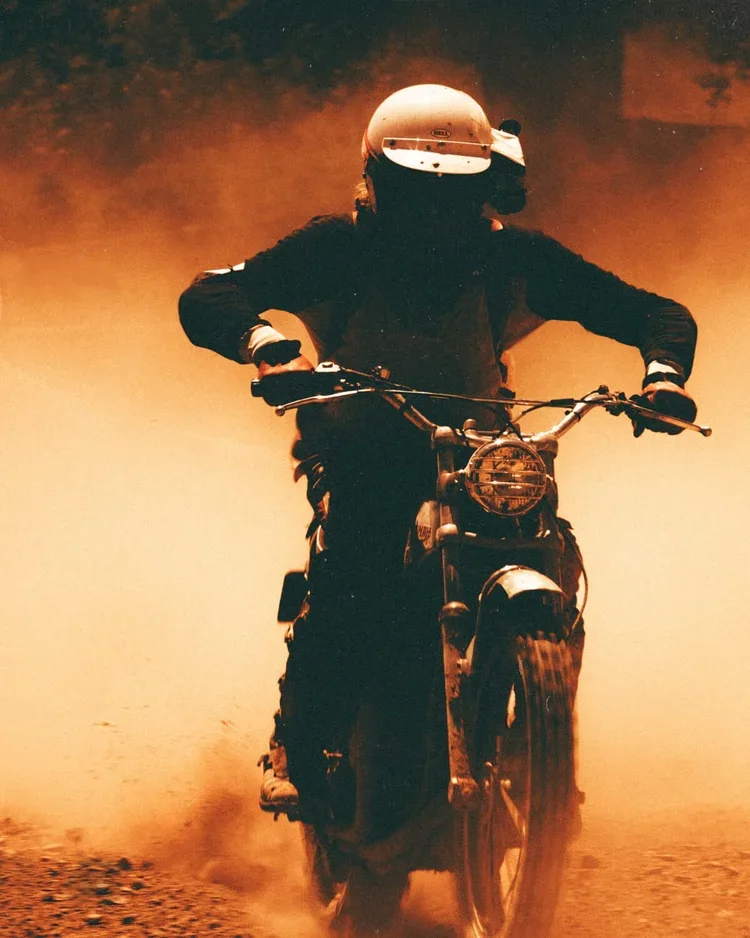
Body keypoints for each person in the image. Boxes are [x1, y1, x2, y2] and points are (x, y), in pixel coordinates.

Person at [179, 84, 698, 818]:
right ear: (376, 180)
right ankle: (302, 740)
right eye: (415, 193)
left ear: (487, 191)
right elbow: (209, 294)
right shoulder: (337, 248)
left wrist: (662, 375)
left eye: (453, 198)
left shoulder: (516, 258)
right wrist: (266, 344)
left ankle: (537, 746)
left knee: (552, 547)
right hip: (359, 444)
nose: (434, 216)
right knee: (356, 565)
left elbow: (655, 313)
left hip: (479, 451)